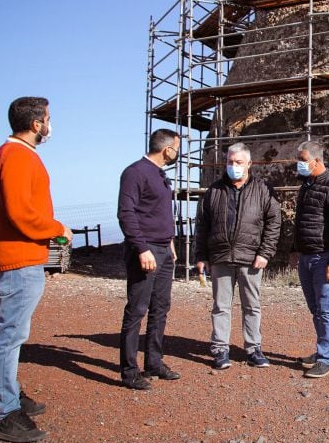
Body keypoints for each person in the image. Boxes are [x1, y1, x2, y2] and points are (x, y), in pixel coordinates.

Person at [0, 96, 73, 443]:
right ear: (37, 124)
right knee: (10, 337)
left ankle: (12, 395)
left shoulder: (13, 155)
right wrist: (56, 228)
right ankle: (5, 412)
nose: (50, 124)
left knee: (12, 334)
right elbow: (21, 213)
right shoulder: (17, 156)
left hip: (22, 257)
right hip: (19, 259)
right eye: (48, 118)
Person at [194, 143, 281, 370]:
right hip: (220, 257)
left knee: (252, 306)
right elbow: (202, 226)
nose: (234, 166)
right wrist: (201, 256)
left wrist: (265, 253)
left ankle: (253, 349)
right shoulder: (214, 191)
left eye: (239, 162)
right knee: (221, 306)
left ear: (249, 164)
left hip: (251, 258)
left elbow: (274, 223)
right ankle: (221, 349)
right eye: (230, 162)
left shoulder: (263, 190)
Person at [117, 129, 181, 390]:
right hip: (145, 251)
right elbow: (126, 213)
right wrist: (142, 249)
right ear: (167, 150)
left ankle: (154, 362)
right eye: (177, 148)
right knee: (137, 310)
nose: (178, 153)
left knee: (160, 308)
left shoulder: (159, 175)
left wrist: (170, 242)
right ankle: (129, 371)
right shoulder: (135, 172)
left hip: (164, 250)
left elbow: (159, 213)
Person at [292, 140, 329, 379]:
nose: (300, 164)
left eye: (303, 160)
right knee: (315, 308)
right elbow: (301, 221)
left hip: (324, 258)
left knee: (326, 309)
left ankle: (326, 358)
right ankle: (321, 351)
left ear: (317, 161)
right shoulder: (307, 185)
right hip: (307, 257)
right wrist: (296, 249)